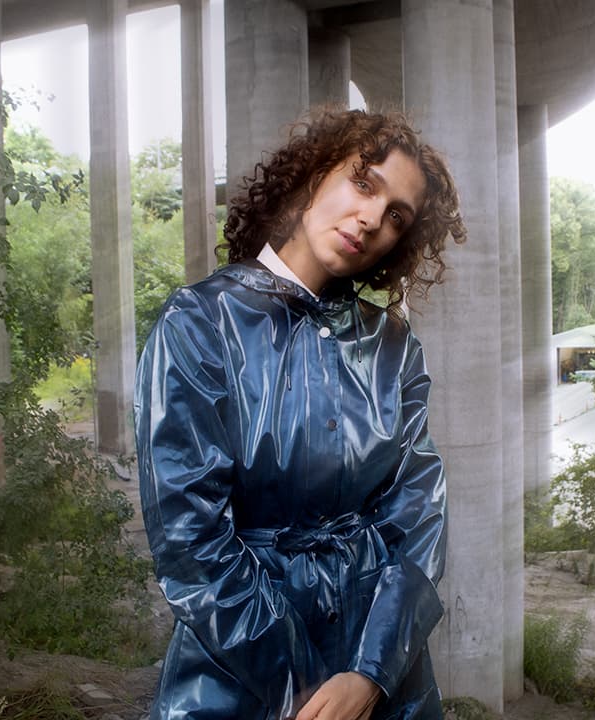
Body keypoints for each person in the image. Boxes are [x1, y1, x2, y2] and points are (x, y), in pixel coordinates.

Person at [134, 107, 466, 720]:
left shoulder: (393, 347)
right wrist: (307, 689)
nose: (371, 219)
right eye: (363, 183)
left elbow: (418, 518)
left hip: (383, 663)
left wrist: (369, 676)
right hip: (241, 668)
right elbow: (189, 537)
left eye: (398, 216)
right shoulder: (201, 323)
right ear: (314, 175)